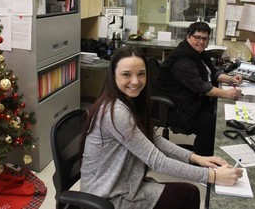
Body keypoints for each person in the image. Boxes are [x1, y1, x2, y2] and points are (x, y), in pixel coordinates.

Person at [80, 45, 243, 209]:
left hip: (127, 184)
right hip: (110, 196)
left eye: (141, 74)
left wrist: (197, 158)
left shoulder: (130, 101)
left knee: (190, 193)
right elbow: (157, 161)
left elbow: (154, 139)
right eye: (126, 75)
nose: (136, 81)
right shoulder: (115, 111)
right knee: (190, 196)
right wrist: (212, 176)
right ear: (113, 75)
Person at [153, 22, 243, 156]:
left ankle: (204, 152)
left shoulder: (199, 54)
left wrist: (230, 79)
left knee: (216, 116)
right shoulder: (182, 59)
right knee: (212, 126)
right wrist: (226, 94)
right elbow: (201, 86)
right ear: (188, 37)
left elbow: (212, 73)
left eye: (205, 39)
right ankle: (201, 162)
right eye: (197, 37)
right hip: (175, 108)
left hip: (189, 101)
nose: (201, 42)